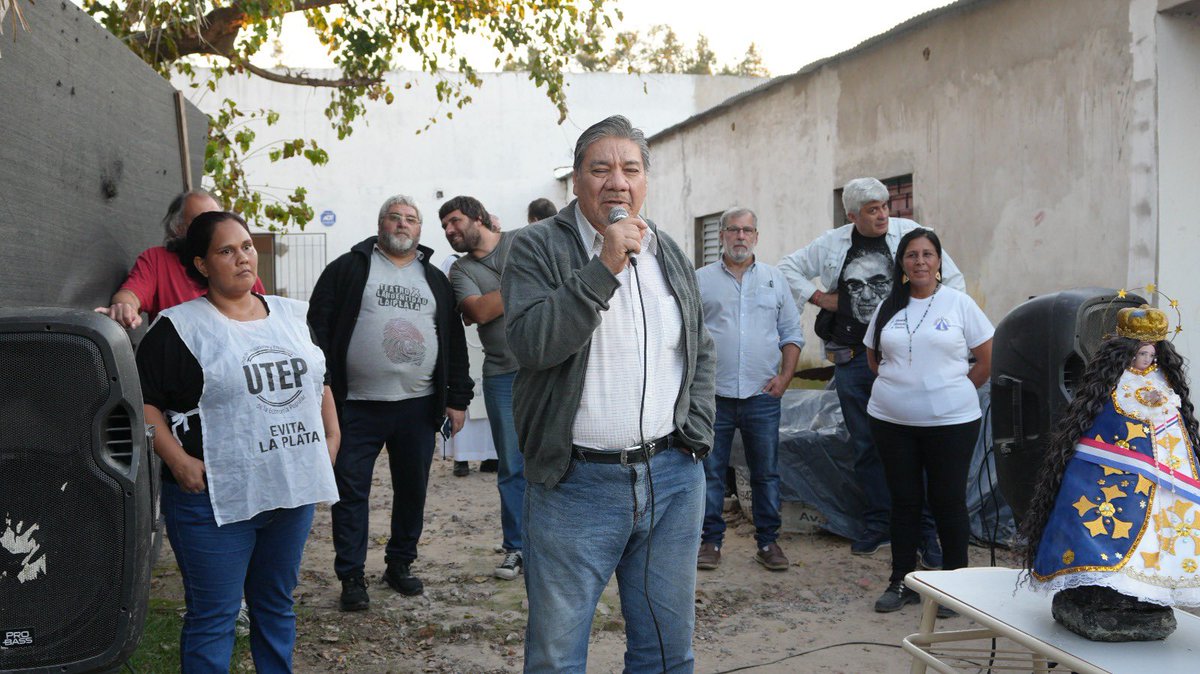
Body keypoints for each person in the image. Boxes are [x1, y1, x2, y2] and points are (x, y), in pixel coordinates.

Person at [502, 115, 714, 672]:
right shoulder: (535, 248)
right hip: (576, 485)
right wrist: (605, 266)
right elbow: (531, 344)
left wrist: (698, 432)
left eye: (631, 169)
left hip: (671, 481)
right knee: (555, 654)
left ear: (645, 180)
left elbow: (699, 346)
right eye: (601, 169)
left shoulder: (666, 248)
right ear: (576, 180)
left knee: (667, 651)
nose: (617, 181)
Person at [137, 210, 339, 671]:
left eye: (246, 246)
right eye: (226, 251)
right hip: (212, 503)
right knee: (214, 617)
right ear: (202, 265)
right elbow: (143, 406)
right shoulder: (177, 329)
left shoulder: (292, 315)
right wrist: (176, 460)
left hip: (289, 495)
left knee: (276, 608)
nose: (242, 257)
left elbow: (318, 378)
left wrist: (331, 435)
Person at [778, 177, 965, 564]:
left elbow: (954, 282)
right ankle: (879, 522)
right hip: (853, 361)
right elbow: (787, 267)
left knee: (920, 446)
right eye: (872, 210)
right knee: (866, 445)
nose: (883, 214)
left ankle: (925, 533)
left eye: (884, 206)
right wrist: (819, 297)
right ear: (852, 216)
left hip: (907, 362)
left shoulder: (910, 237)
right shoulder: (831, 243)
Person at [308, 195, 473, 612]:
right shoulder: (348, 269)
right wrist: (321, 389)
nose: (403, 224)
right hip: (356, 406)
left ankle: (399, 565)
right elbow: (317, 330)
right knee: (349, 491)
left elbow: (454, 342)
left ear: (420, 230)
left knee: (412, 489)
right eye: (395, 217)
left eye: (411, 219)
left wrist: (457, 398)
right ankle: (351, 575)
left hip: (417, 407)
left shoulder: (435, 279)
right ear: (381, 224)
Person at [1020, 305, 1200, 621]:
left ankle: (1151, 589)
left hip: (1169, 469)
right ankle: (1105, 588)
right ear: (1126, 352)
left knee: (1163, 529)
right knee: (1115, 527)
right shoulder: (1113, 384)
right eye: (1141, 353)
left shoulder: (1163, 381)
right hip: (1117, 469)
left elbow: (1173, 422)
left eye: (1151, 353)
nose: (1146, 359)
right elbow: (1107, 425)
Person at [862, 227, 992, 613]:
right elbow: (873, 357)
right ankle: (902, 582)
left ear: (938, 262)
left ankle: (955, 589)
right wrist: (902, 388)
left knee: (948, 500)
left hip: (951, 423)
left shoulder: (959, 304)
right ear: (902, 263)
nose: (920, 262)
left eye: (927, 254)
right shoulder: (889, 305)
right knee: (904, 502)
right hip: (891, 421)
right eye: (912, 255)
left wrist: (946, 393)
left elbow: (984, 361)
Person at [695, 207, 803, 572]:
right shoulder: (701, 280)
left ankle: (768, 542)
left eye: (747, 231)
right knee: (709, 472)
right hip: (714, 397)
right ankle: (710, 542)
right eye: (733, 230)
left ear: (756, 236)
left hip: (762, 396)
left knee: (766, 473)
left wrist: (786, 378)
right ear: (722, 235)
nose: (740, 236)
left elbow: (791, 333)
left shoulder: (775, 280)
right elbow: (688, 335)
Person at [440, 195, 526, 580]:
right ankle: (517, 547)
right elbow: (477, 312)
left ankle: (560, 542)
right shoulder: (459, 270)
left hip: (553, 370)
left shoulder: (524, 241)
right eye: (444, 227)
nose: (450, 231)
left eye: (455, 221)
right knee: (511, 465)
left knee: (564, 459)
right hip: (503, 376)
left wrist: (500, 296)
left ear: (478, 217)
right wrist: (529, 285)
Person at [95, 189, 264, 328]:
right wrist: (125, 308)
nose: (214, 229)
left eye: (247, 247)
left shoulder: (242, 268)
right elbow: (129, 295)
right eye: (201, 221)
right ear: (178, 228)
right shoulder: (157, 259)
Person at [437, 252, 499, 479]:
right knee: (464, 402)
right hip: (463, 334)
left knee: (490, 402)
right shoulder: (453, 263)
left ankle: (492, 455)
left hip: (488, 336)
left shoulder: (498, 261)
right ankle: (461, 458)